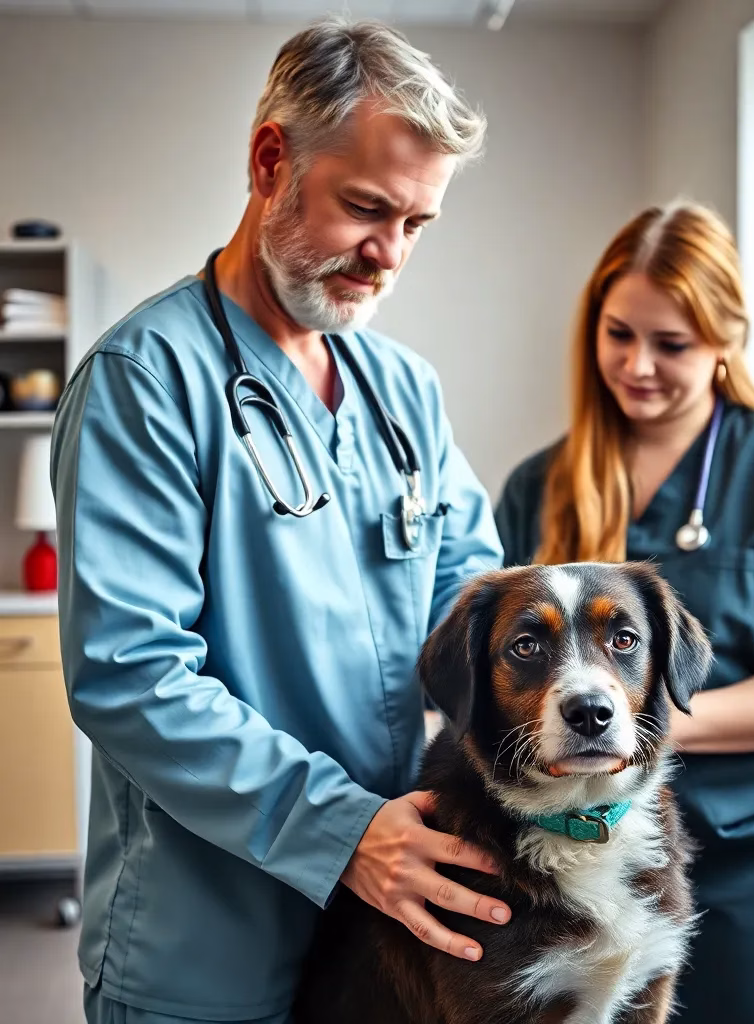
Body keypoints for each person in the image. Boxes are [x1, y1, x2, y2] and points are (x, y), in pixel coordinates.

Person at [50, 18, 513, 1024]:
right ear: (271, 160)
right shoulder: (147, 381)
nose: (387, 255)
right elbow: (132, 675)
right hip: (205, 945)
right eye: (365, 209)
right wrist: (346, 832)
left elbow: (469, 604)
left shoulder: (403, 391)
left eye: (417, 225)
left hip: (381, 938)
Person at [493, 198, 754, 1024]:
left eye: (671, 344)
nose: (639, 364)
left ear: (725, 341)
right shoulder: (542, 485)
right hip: (582, 864)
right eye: (619, 334)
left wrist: (630, 723)